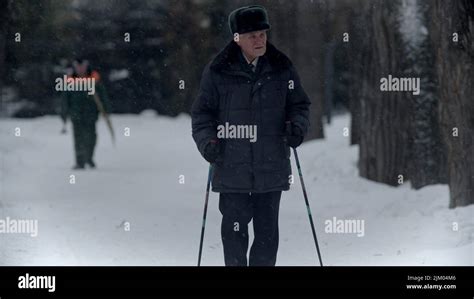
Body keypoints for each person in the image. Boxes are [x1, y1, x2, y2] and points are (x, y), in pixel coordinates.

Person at [191, 5, 311, 266]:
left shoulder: (282, 67)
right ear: (237, 38)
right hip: (232, 166)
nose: (259, 40)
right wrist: (208, 142)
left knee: (267, 236)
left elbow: (299, 105)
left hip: (271, 166)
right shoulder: (218, 71)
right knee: (234, 235)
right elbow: (202, 115)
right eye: (252, 35)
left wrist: (296, 127)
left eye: (262, 34)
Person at [60, 58, 111, 170]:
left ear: (86, 67)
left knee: (91, 138)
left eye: (82, 67)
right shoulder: (70, 81)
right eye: (78, 67)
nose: (80, 69)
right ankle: (80, 162)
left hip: (91, 115)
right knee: (78, 139)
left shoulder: (95, 80)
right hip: (76, 115)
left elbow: (103, 97)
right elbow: (65, 100)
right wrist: (63, 114)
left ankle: (89, 158)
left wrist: (106, 110)